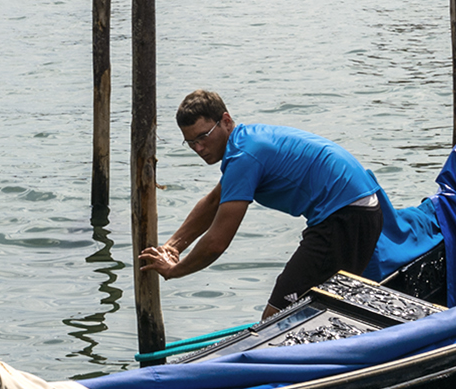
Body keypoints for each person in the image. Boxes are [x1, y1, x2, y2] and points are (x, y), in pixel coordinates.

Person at [138, 89, 383, 317]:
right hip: (359, 207)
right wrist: (172, 247)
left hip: (346, 215)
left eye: (203, 136)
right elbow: (213, 202)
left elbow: (216, 243)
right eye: (190, 142)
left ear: (226, 120)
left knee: (277, 317)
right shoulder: (245, 143)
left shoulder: (244, 157)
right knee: (312, 306)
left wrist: (174, 271)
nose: (199, 148)